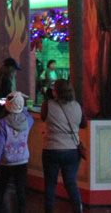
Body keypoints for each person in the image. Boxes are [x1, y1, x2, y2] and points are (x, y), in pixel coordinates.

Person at [41, 78, 86, 213]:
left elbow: (43, 117)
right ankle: (77, 209)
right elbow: (84, 124)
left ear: (55, 92)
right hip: (72, 150)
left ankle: (49, 210)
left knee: (50, 183)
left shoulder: (47, 105)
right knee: (71, 182)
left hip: (51, 149)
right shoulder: (78, 106)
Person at [0, 91, 33, 213]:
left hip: (6, 162)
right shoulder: (27, 121)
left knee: (1, 189)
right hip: (22, 161)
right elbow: (27, 115)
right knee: (20, 190)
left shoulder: (2, 123)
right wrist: (22, 108)